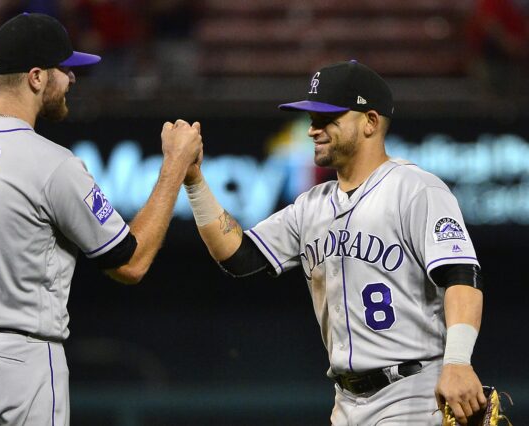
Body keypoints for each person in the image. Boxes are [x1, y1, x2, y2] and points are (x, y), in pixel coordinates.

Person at [0, 12, 201, 425]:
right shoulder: (50, 163)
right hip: (17, 365)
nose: (71, 79)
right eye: (64, 70)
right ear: (36, 77)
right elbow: (131, 261)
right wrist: (175, 165)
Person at [183, 60, 486, 425]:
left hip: (413, 393)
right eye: (312, 119)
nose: (313, 130)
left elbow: (462, 276)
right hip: (345, 401)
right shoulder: (310, 205)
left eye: (327, 118)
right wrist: (193, 181)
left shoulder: (416, 189)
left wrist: (457, 362)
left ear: (370, 122)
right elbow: (238, 257)